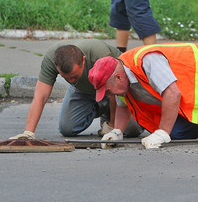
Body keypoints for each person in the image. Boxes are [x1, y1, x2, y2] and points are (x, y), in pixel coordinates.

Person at [9, 39, 142, 140]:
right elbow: (40, 96)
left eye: (74, 76)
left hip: (112, 89)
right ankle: (101, 109)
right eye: (66, 78)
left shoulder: (99, 53)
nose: (72, 80)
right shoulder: (51, 58)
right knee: (67, 128)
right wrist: (28, 133)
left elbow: (115, 93)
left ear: (83, 61)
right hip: (83, 91)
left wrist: (113, 127)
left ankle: (109, 116)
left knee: (131, 131)